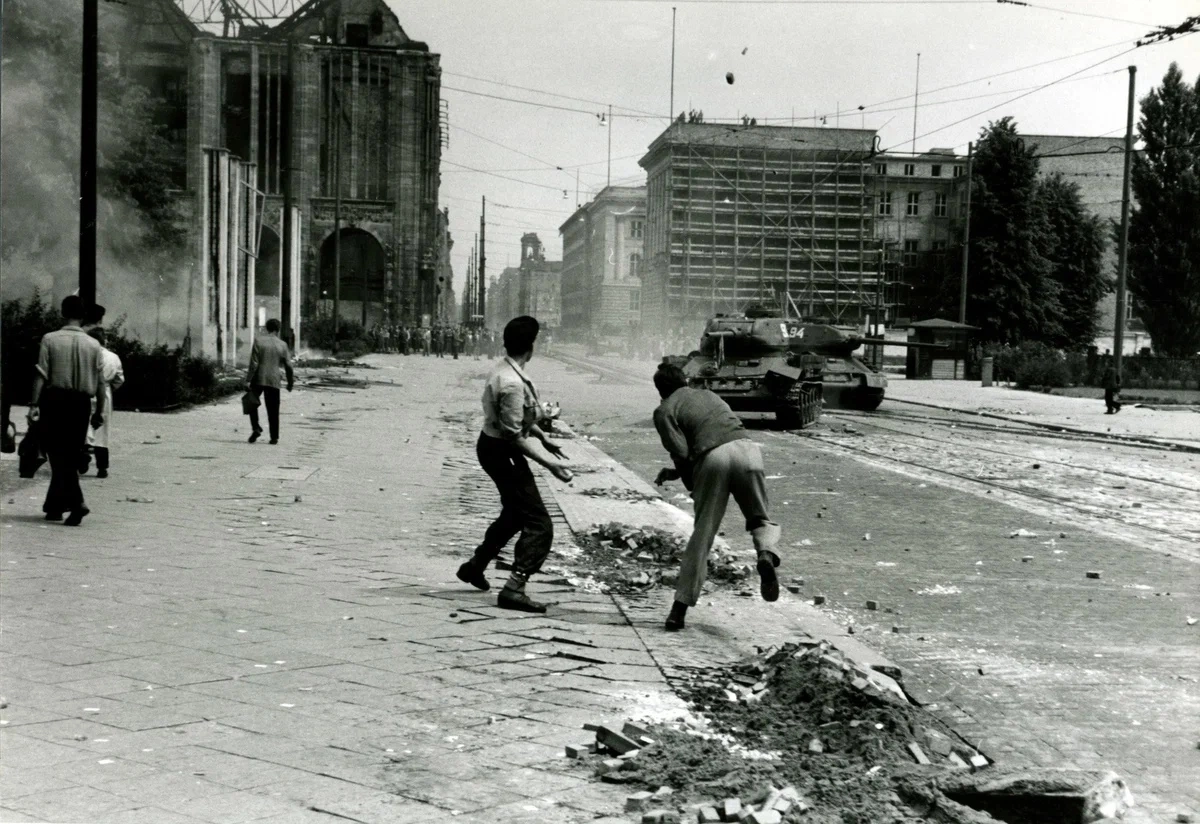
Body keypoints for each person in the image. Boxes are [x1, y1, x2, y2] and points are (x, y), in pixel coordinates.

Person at [456, 315, 574, 614]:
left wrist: (542, 438)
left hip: (495, 447)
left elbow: (517, 419)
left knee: (514, 514)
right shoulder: (511, 382)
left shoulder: (507, 369)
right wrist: (550, 465)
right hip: (501, 451)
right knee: (539, 524)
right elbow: (512, 435)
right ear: (531, 346)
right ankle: (514, 587)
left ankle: (475, 566)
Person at [651, 363, 782, 631]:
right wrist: (678, 473)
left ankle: (679, 609)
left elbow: (682, 451)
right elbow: (716, 430)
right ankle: (766, 554)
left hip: (713, 459)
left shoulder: (665, 410)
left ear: (660, 391)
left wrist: (690, 483)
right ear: (685, 380)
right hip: (748, 450)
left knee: (703, 534)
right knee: (760, 519)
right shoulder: (709, 394)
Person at [28, 295, 107, 525]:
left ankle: (77, 502)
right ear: (83, 316)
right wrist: (99, 411)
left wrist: (33, 405)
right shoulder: (94, 344)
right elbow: (101, 383)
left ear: (62, 313)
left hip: (54, 401)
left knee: (58, 455)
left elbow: (41, 374)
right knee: (69, 454)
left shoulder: (50, 339)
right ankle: (54, 507)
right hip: (81, 404)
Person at [80, 328, 124, 478]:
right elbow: (119, 378)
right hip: (104, 393)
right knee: (103, 431)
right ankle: (102, 468)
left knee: (84, 426)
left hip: (86, 390)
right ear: (104, 340)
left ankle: (84, 453)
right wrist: (109, 388)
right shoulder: (113, 357)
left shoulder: (86, 355)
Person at [246, 318, 294, 444]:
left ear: (267, 328)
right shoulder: (282, 345)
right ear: (278, 329)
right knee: (273, 409)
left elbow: (254, 363)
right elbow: (289, 366)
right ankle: (274, 437)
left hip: (258, 378)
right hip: (274, 379)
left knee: (250, 402)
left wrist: (248, 379)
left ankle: (256, 427)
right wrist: (290, 383)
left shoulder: (258, 341)